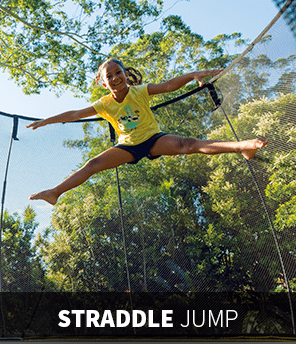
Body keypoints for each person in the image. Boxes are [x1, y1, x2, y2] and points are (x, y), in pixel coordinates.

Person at [26, 58, 269, 205]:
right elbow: (74, 114)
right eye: (109, 76)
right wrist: (46, 120)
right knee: (92, 164)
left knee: (188, 144)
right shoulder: (104, 104)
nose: (115, 78)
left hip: (154, 139)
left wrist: (192, 75)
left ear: (125, 75)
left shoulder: (140, 91)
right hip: (127, 147)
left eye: (118, 73)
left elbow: (168, 85)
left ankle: (242, 147)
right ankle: (54, 193)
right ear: (103, 82)